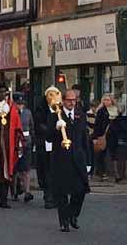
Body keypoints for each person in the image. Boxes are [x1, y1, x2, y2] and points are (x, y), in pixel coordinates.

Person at [47, 89, 90, 232]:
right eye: (69, 100)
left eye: (74, 100)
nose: (72, 103)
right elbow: (48, 138)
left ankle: (73, 214)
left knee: (81, 190)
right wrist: (56, 128)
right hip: (61, 159)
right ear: (63, 101)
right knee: (62, 192)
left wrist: (89, 162)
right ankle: (64, 222)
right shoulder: (55, 116)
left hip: (78, 159)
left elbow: (85, 139)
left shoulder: (81, 115)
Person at [34, 87, 58, 209]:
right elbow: (39, 125)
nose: (53, 97)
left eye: (55, 94)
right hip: (44, 144)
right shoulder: (41, 109)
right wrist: (49, 131)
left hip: (57, 145)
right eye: (50, 95)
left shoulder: (59, 110)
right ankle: (48, 195)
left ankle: (55, 195)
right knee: (46, 169)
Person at [12, 93, 35, 203]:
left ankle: (27, 192)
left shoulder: (28, 113)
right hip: (15, 143)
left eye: (22, 104)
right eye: (18, 104)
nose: (20, 106)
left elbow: (31, 127)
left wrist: (32, 140)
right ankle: (15, 191)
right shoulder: (10, 112)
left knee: (26, 169)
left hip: (26, 142)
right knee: (15, 169)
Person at [93, 94, 117, 181]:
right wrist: (95, 137)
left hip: (113, 136)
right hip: (103, 135)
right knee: (101, 154)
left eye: (108, 100)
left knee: (114, 154)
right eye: (105, 100)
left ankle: (116, 174)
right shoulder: (101, 111)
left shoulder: (116, 110)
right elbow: (97, 125)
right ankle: (102, 173)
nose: (106, 102)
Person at [107, 105, 127, 183]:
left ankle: (117, 175)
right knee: (121, 157)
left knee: (114, 157)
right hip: (121, 140)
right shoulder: (123, 120)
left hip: (114, 140)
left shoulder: (113, 120)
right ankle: (122, 175)